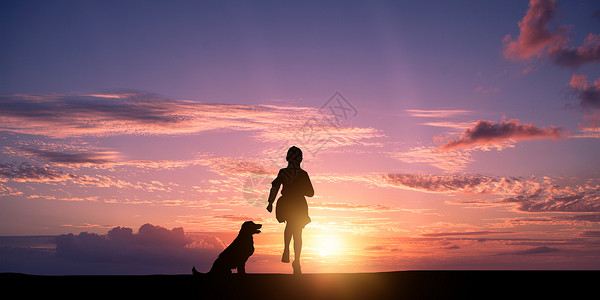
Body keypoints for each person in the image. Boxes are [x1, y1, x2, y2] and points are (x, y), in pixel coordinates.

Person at [266, 146, 314, 274]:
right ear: (300, 159)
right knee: (297, 232)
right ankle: (295, 259)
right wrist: (270, 202)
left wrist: (270, 202)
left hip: (289, 203)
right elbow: (310, 192)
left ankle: (289, 253)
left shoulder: (284, 172)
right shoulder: (302, 174)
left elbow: (275, 187)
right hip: (296, 204)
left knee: (292, 228)